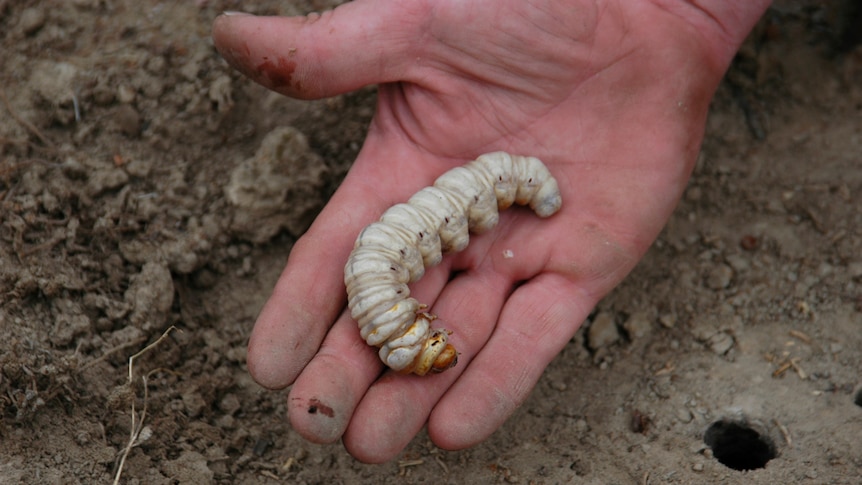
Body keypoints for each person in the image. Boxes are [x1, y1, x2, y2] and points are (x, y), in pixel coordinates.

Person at [212, 0, 770, 463]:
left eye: (425, 341)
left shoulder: (389, 276)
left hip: (508, 179)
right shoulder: (381, 280)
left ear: (408, 327)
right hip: (494, 183)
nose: (437, 338)